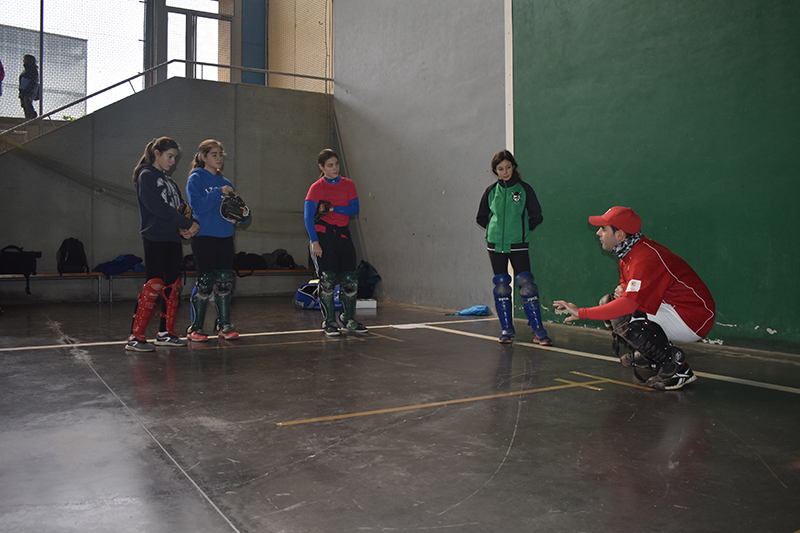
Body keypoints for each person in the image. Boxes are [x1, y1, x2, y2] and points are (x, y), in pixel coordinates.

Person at [553, 206, 715, 391]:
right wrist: (622, 291)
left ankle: (675, 369)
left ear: (620, 235)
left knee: (622, 314)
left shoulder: (644, 258)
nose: (598, 233)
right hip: (673, 308)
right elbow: (626, 289)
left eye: (603, 229)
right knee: (611, 303)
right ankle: (650, 355)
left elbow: (628, 305)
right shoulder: (628, 253)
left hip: (693, 318)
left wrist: (581, 312)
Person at [127, 137, 200, 352]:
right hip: (155, 237)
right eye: (169, 156)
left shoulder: (169, 181)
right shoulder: (146, 175)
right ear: (156, 153)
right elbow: (157, 207)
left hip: (172, 238)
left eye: (175, 158)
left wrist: (186, 227)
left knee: (172, 286)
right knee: (153, 285)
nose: (173, 162)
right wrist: (186, 223)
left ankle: (165, 333)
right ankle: (135, 336)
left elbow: (178, 209)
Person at [476, 150, 552, 345]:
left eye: (508, 167)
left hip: (518, 244)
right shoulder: (491, 191)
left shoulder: (525, 189)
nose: (505, 171)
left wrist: (520, 230)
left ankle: (538, 331)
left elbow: (536, 215)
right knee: (501, 286)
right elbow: (481, 217)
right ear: (495, 171)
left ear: (514, 166)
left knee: (526, 284)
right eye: (500, 169)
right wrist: (493, 231)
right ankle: (506, 330)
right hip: (495, 246)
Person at [304, 148, 368, 337]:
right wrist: (315, 242)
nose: (335, 168)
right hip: (323, 236)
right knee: (328, 279)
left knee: (349, 280)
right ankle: (330, 321)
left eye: (337, 164)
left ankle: (348, 319)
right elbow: (308, 217)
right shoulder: (317, 187)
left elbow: (354, 209)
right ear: (321, 167)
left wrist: (333, 208)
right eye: (330, 165)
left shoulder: (348, 184)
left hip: (342, 235)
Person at [185, 139, 244, 341]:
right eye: (214, 154)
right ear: (203, 157)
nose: (219, 158)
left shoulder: (226, 182)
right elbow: (198, 207)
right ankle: (196, 328)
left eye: (220, 155)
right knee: (205, 282)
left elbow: (234, 212)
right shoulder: (195, 179)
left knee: (225, 282)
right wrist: (218, 192)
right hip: (204, 236)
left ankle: (224, 325)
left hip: (225, 236)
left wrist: (243, 215)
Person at [18, 54, 38, 119]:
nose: (23, 61)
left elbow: (33, 81)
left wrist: (27, 89)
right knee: (24, 104)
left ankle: (32, 115)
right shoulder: (25, 70)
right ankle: (28, 117)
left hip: (30, 90)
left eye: (25, 59)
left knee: (27, 100)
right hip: (23, 89)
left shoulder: (32, 70)